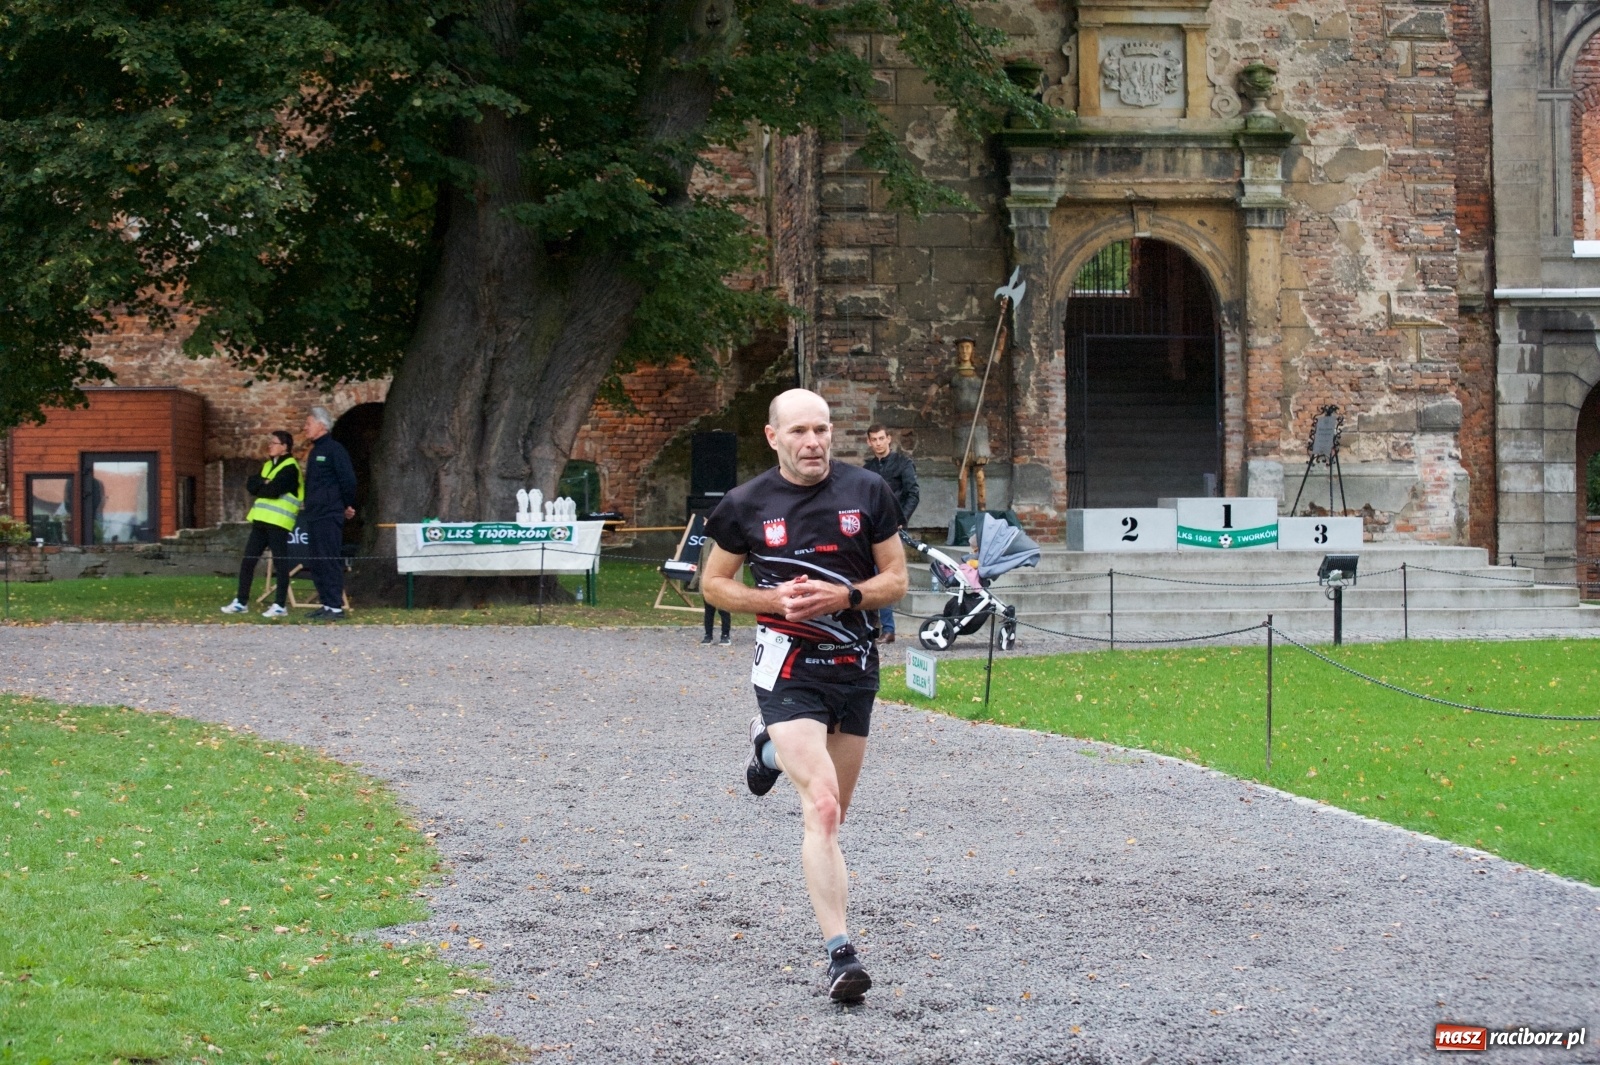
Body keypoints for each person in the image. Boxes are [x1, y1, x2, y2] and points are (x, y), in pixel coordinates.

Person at [701, 388, 908, 1003]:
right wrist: (771, 600)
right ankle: (841, 955)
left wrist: (846, 597)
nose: (812, 442)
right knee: (820, 805)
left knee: (835, 813)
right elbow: (713, 583)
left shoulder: (869, 490)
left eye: (821, 429)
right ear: (773, 437)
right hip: (787, 668)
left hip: (853, 665)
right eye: (798, 432)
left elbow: (896, 579)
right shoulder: (745, 503)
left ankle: (765, 750)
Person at [220, 430, 302, 618]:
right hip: (261, 521)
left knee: (280, 563)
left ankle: (280, 605)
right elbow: (251, 485)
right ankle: (241, 602)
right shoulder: (267, 466)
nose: (269, 446)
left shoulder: (291, 468)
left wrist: (263, 485)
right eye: (270, 442)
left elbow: (273, 490)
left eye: (274, 443)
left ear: (284, 447)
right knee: (248, 560)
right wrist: (264, 483)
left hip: (278, 522)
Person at [863, 423, 919, 644]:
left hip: (892, 529)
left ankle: (888, 629)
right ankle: (871, 626)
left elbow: (913, 494)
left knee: (885, 577)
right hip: (870, 529)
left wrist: (900, 520)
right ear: (869, 442)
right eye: (874, 439)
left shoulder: (903, 463)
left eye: (881, 438)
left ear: (888, 439)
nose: (878, 443)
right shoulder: (867, 469)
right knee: (868, 577)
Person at [301, 406, 357, 620]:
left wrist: (347, 504)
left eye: (309, 423)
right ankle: (325, 603)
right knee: (317, 561)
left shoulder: (334, 450)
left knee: (328, 559)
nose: (305, 428)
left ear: (321, 425)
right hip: (315, 514)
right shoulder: (315, 451)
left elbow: (347, 480)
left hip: (329, 513)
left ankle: (335, 606)